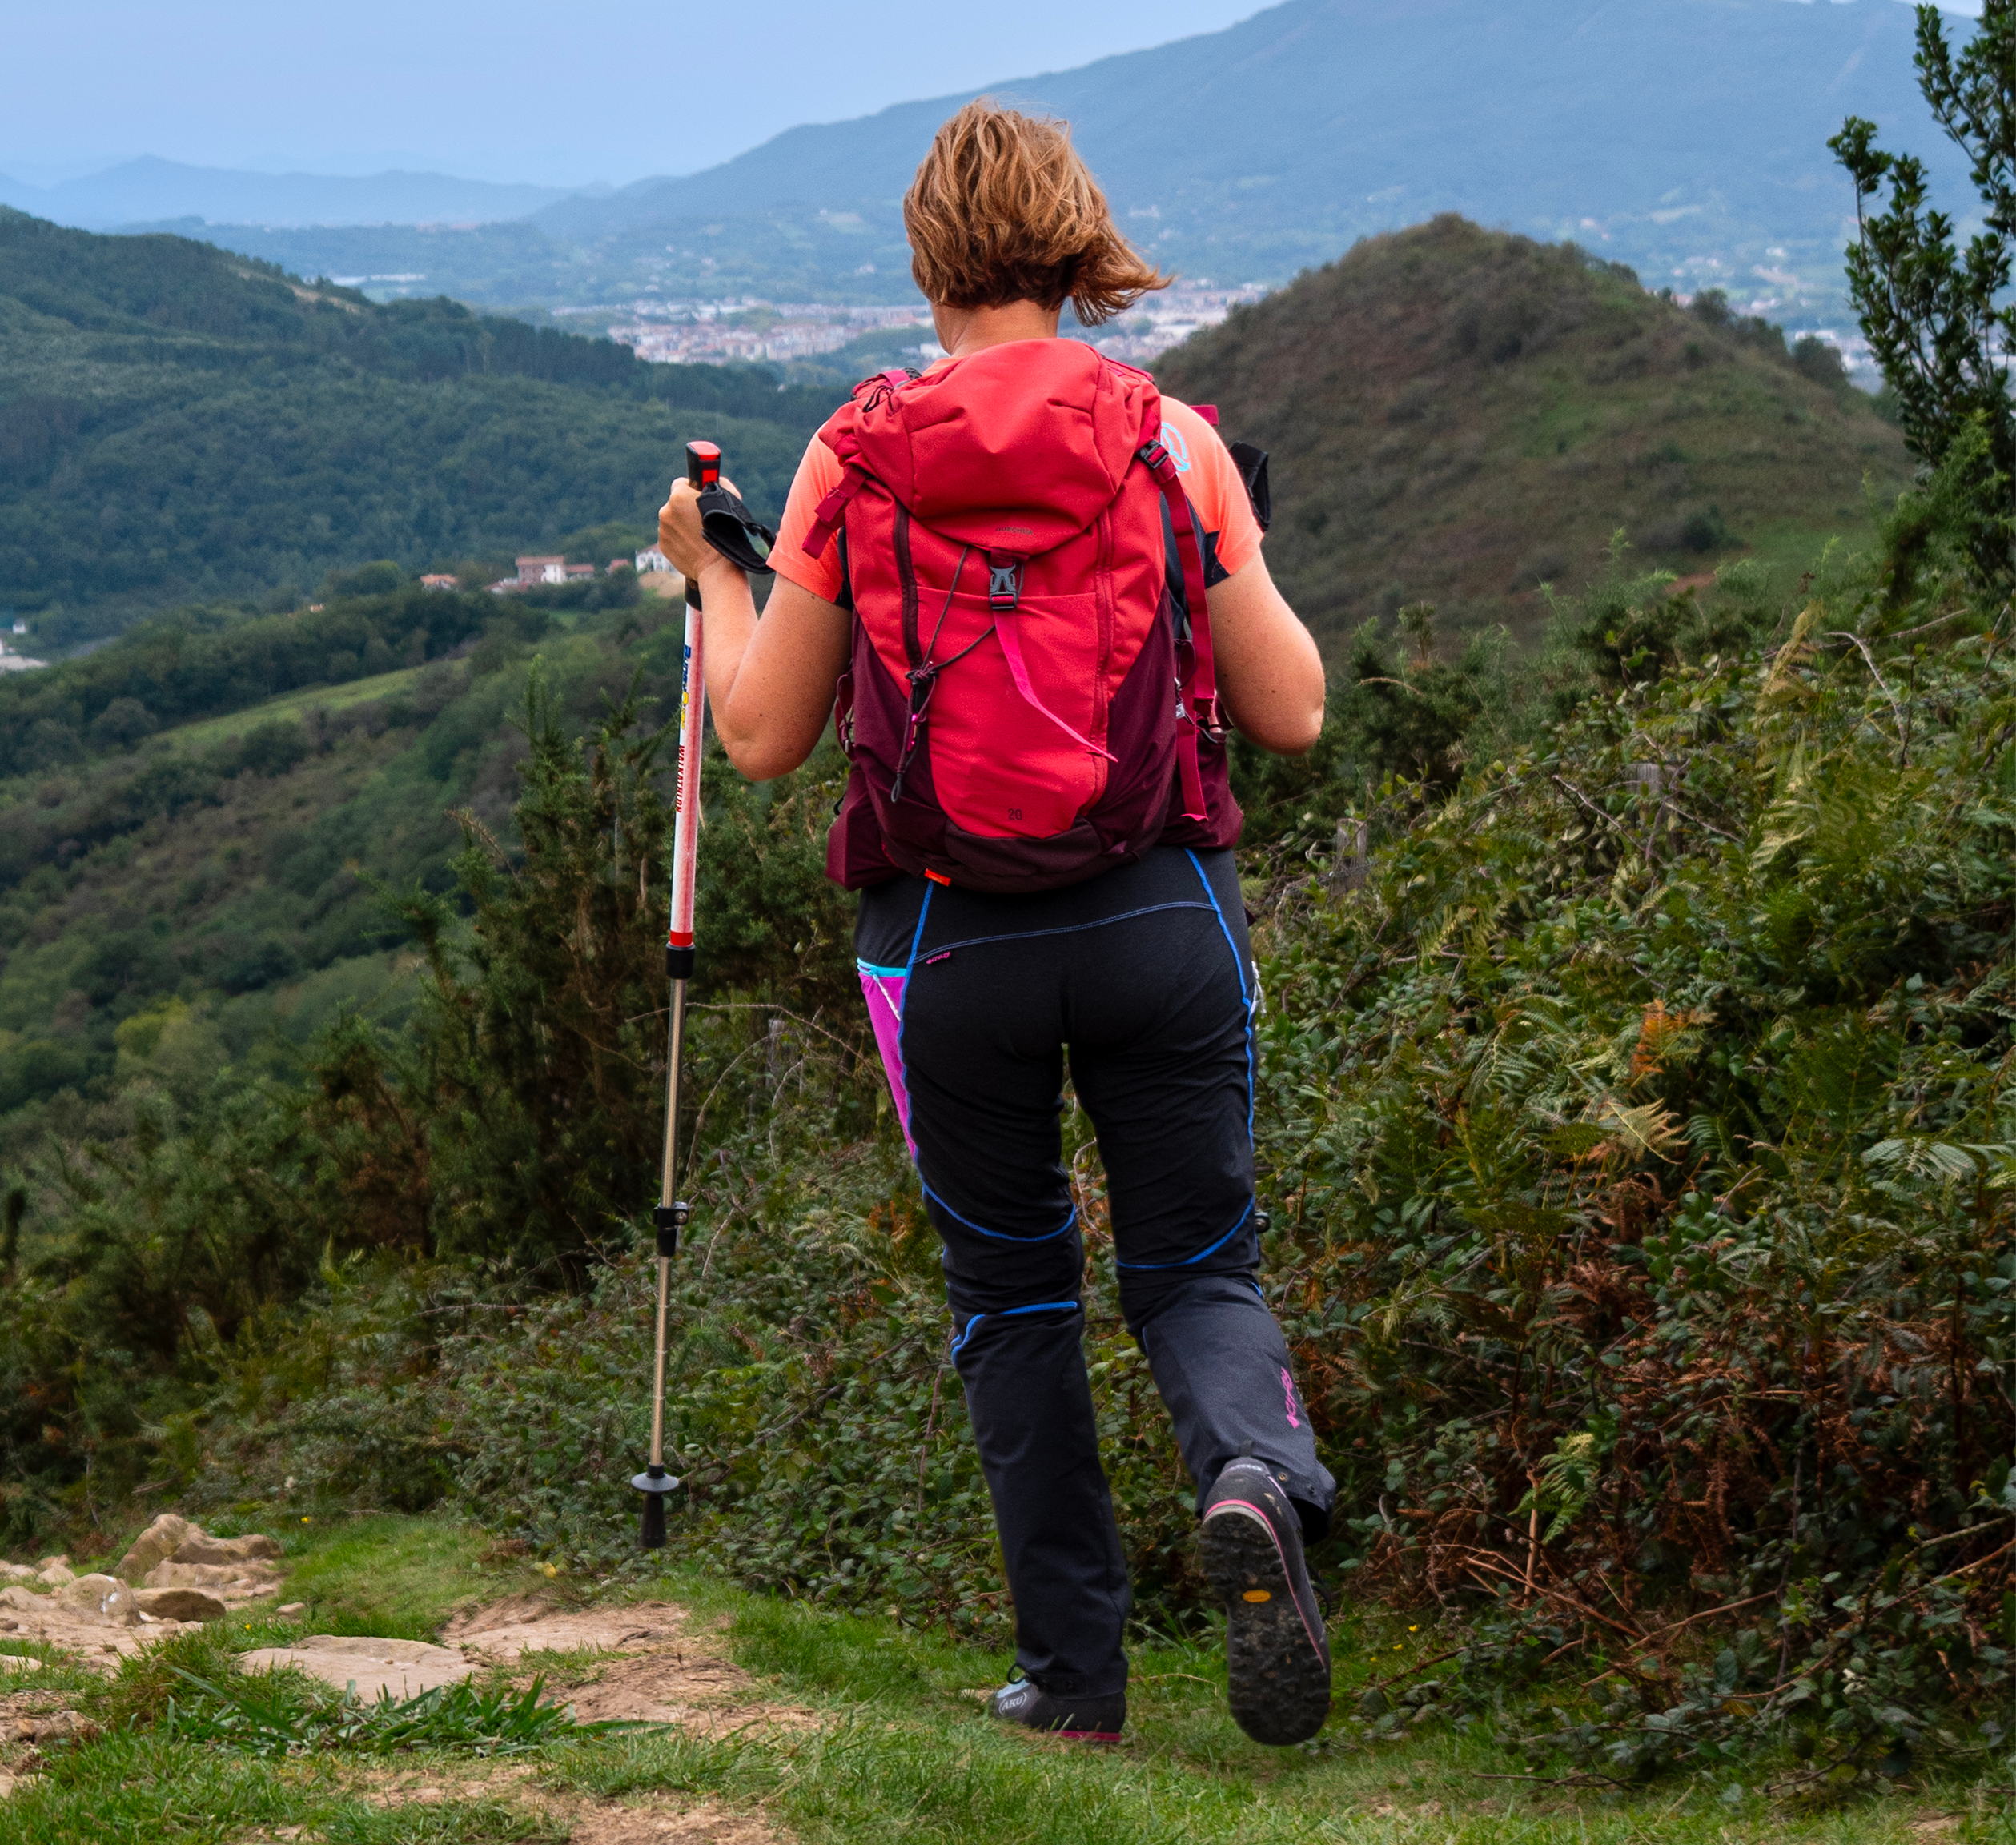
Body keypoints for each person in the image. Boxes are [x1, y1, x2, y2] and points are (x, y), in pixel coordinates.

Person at [656, 99, 1335, 1749]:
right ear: (1078, 243)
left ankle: (1074, 1685)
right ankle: (1253, 1476)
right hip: (1160, 911)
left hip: (943, 942)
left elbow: (760, 737)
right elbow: (1292, 711)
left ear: (925, 255)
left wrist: (714, 575)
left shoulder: (853, 451)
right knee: (1192, 1264)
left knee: (1013, 1298)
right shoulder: (1166, 440)